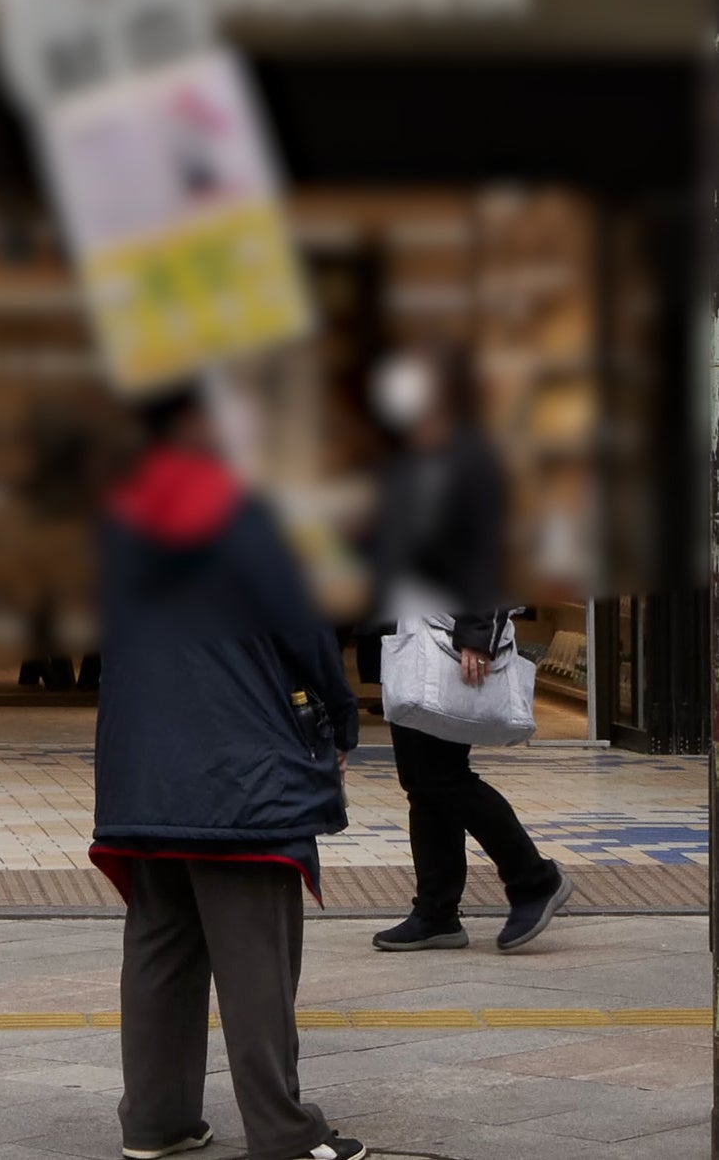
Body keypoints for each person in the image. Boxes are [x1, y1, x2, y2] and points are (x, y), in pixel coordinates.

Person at [91, 387, 366, 1160]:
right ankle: (283, 1132)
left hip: (143, 773)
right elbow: (305, 630)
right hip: (243, 771)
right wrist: (341, 720)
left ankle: (157, 1121)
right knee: (256, 959)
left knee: (161, 945)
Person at [366, 344, 571, 954]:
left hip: (448, 633)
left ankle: (533, 878)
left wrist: (476, 631)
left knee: (440, 776)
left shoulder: (473, 456)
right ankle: (436, 911)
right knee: (422, 779)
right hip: (411, 632)